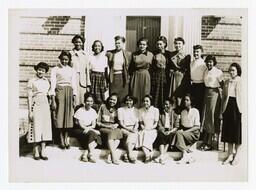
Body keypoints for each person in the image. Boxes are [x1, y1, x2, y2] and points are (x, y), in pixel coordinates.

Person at [50, 50, 77, 149]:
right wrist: (53, 98)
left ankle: (67, 138)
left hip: (69, 92)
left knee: (68, 117)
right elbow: (53, 84)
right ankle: (61, 139)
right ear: (60, 59)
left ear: (69, 60)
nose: (64, 61)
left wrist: (74, 97)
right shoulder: (55, 69)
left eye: (66, 59)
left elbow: (74, 84)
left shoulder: (71, 70)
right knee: (60, 116)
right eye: (63, 59)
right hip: (59, 91)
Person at [27, 62, 52, 160]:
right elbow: (29, 97)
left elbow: (49, 94)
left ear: (45, 72)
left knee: (45, 127)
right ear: (36, 70)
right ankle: (36, 149)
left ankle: (43, 149)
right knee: (36, 126)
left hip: (45, 105)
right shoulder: (32, 81)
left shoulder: (47, 81)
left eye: (43, 70)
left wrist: (49, 102)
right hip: (36, 104)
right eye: (39, 69)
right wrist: (30, 111)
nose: (41, 72)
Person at [200, 55, 223, 151]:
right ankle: (205, 140)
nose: (209, 63)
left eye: (211, 62)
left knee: (212, 117)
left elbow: (222, 85)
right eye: (208, 62)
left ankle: (210, 143)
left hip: (214, 94)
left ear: (214, 63)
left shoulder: (218, 72)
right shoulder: (205, 71)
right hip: (206, 93)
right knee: (205, 117)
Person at [221, 63, 242, 166]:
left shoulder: (241, 81)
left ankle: (237, 155)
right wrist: (223, 110)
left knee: (237, 132)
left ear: (237, 71)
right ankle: (230, 154)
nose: (231, 72)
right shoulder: (227, 82)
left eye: (233, 70)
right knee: (229, 131)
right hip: (228, 107)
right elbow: (224, 96)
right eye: (230, 70)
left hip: (238, 108)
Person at [171, 93, 200, 164]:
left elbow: (197, 126)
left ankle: (185, 153)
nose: (185, 101)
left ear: (191, 102)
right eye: (184, 100)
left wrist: (186, 132)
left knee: (178, 139)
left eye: (187, 100)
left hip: (194, 133)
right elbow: (182, 125)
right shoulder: (183, 112)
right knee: (178, 136)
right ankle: (187, 154)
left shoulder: (195, 111)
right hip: (185, 132)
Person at [73, 93, 102, 163]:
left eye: (91, 101)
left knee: (93, 135)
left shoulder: (93, 111)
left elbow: (93, 125)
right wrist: (92, 130)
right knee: (93, 134)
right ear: (84, 101)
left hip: (88, 130)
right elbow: (80, 124)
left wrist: (89, 129)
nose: (89, 103)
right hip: (79, 129)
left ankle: (85, 154)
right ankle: (91, 155)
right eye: (87, 101)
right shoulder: (80, 110)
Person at [97, 93, 123, 165]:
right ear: (108, 99)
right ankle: (114, 157)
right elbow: (98, 122)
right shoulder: (103, 107)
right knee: (112, 133)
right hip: (104, 127)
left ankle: (109, 154)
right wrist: (108, 127)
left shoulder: (118, 110)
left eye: (114, 100)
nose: (112, 101)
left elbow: (119, 122)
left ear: (117, 101)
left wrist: (116, 124)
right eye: (111, 99)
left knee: (118, 135)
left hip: (114, 128)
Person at [106, 36, 132, 103]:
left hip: (123, 77)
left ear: (123, 43)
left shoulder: (128, 54)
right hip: (113, 77)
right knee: (113, 96)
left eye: (119, 43)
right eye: (116, 43)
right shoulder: (110, 53)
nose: (117, 45)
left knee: (123, 96)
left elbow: (130, 67)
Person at [130, 37, 154, 108]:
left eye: (144, 44)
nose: (142, 46)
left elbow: (152, 67)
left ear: (147, 45)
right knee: (135, 92)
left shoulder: (150, 54)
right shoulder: (134, 54)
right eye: (140, 44)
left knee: (145, 92)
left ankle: (144, 110)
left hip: (145, 75)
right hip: (136, 75)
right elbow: (131, 67)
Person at [154, 99, 180, 164]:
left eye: (167, 104)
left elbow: (176, 127)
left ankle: (161, 156)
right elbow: (159, 125)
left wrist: (170, 131)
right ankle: (163, 155)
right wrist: (163, 130)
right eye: (164, 104)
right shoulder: (161, 114)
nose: (165, 106)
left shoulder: (175, 114)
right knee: (160, 134)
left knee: (170, 136)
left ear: (171, 105)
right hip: (163, 130)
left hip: (171, 131)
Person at [168, 37, 191, 110]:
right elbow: (169, 66)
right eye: (176, 43)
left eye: (179, 43)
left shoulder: (187, 56)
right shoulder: (171, 54)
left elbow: (188, 69)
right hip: (173, 78)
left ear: (183, 45)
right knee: (173, 95)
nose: (177, 45)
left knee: (180, 95)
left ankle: (180, 112)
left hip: (182, 78)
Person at [150, 36, 173, 109]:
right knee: (155, 92)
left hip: (165, 76)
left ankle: (164, 110)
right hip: (155, 75)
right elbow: (152, 65)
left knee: (164, 93)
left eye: (161, 44)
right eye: (158, 44)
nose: (159, 46)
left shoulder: (168, 54)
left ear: (165, 44)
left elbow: (171, 65)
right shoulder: (153, 53)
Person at [118, 95, 139, 163]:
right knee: (131, 135)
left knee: (134, 134)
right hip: (124, 128)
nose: (128, 102)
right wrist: (129, 130)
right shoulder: (120, 110)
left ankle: (127, 154)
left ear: (133, 101)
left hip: (133, 128)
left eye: (130, 100)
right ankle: (130, 155)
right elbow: (121, 123)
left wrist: (134, 129)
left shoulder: (136, 110)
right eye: (127, 100)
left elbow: (137, 123)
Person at [138, 95, 159, 163]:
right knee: (142, 134)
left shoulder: (155, 110)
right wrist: (143, 127)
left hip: (152, 130)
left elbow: (155, 124)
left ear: (151, 102)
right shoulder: (140, 110)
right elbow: (141, 123)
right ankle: (148, 155)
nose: (145, 103)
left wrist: (149, 128)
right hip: (144, 129)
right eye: (144, 101)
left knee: (146, 135)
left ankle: (148, 155)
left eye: (147, 101)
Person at [70, 34, 90, 105]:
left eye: (80, 42)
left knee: (82, 100)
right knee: (73, 100)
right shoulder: (70, 54)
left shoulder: (85, 55)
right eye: (76, 42)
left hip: (82, 81)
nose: (78, 44)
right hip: (72, 79)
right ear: (74, 43)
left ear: (82, 43)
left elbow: (87, 70)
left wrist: (88, 84)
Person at [89, 40, 108, 110]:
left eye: (99, 46)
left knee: (100, 98)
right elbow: (89, 70)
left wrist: (106, 82)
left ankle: (100, 113)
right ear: (93, 47)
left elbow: (106, 71)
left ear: (101, 47)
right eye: (95, 46)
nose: (97, 47)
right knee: (92, 96)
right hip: (93, 78)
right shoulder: (90, 57)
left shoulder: (105, 58)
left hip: (101, 78)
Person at [190, 45, 207, 119]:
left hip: (201, 86)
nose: (195, 53)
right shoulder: (191, 63)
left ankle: (199, 124)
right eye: (194, 52)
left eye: (197, 52)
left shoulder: (204, 64)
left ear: (201, 52)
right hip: (193, 85)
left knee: (200, 105)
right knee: (193, 105)